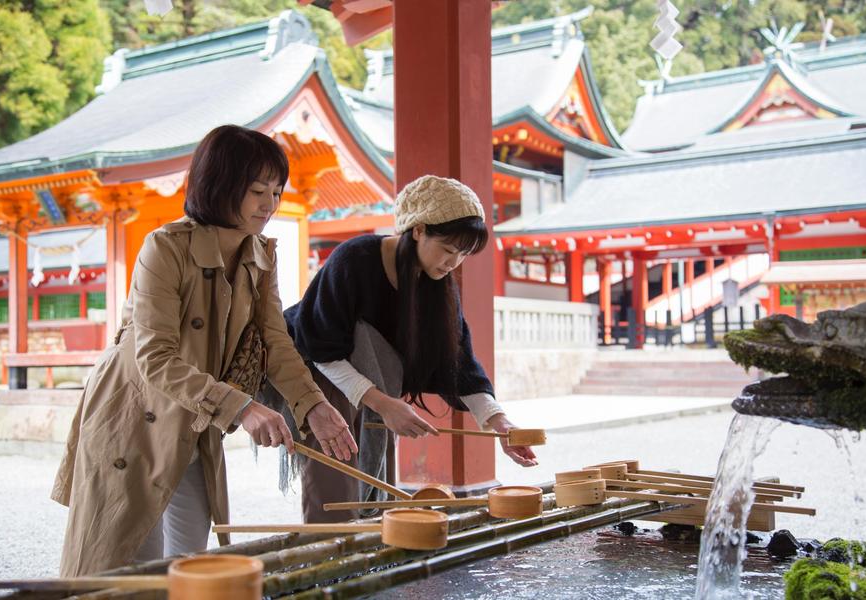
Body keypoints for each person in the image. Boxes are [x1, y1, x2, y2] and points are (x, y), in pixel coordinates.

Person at [51, 125, 357, 576]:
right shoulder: (164, 247)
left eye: (276, 191)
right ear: (221, 185)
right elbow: (154, 357)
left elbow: (275, 340)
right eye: (257, 190)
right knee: (122, 562)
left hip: (195, 415)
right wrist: (244, 408)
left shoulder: (261, 253)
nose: (269, 205)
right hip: (133, 415)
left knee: (190, 557)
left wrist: (312, 405)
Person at [284, 174, 537, 523]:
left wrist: (500, 424)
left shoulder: (438, 284)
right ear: (417, 230)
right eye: (448, 249)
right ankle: (328, 559)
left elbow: (458, 362)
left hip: (373, 381)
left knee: (379, 464)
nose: (453, 263)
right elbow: (323, 347)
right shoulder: (353, 259)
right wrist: (384, 403)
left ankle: (372, 553)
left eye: (463, 254)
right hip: (316, 371)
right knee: (337, 468)